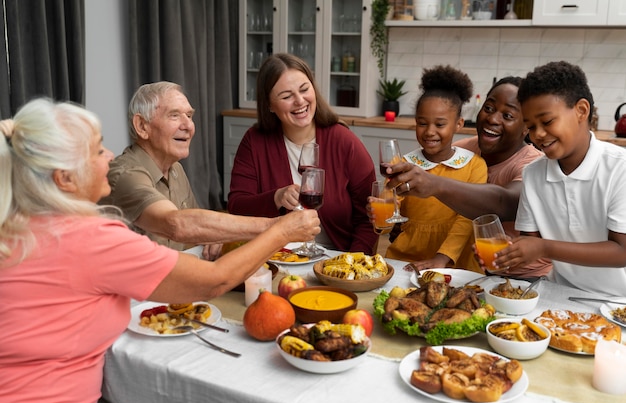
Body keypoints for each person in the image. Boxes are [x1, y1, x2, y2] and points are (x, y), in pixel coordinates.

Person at [0, 98, 320, 403]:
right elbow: (214, 280)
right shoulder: (89, 238)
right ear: (64, 178)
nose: (109, 156)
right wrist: (281, 232)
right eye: (98, 151)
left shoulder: (13, 225)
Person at [385, 76, 552, 279]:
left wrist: (433, 184)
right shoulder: (463, 149)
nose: (493, 119)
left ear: (526, 126)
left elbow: (505, 202)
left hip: (524, 276)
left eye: (507, 115)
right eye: (489, 108)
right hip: (474, 270)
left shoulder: (533, 165)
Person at [99, 81, 278, 259]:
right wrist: (274, 227)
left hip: (174, 276)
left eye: (190, 116)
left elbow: (196, 227)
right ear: (142, 126)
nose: (188, 126)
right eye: (174, 115)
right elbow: (176, 224)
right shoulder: (125, 175)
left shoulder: (175, 168)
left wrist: (212, 236)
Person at [494, 61, 626, 297]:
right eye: (531, 127)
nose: (538, 135)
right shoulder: (533, 174)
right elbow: (530, 245)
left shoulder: (619, 168)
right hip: (560, 292)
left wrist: (544, 247)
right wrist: (508, 253)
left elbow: (622, 252)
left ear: (581, 111)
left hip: (619, 301)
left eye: (547, 122)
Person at [227, 53, 378, 254]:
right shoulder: (254, 141)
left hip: (335, 258)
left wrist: (352, 265)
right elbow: (237, 206)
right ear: (269, 105)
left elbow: (369, 217)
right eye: (287, 96)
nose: (300, 101)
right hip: (277, 257)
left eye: (304, 89)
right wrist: (275, 197)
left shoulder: (344, 141)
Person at [383, 65, 488, 273]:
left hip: (456, 263)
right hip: (407, 260)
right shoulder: (404, 163)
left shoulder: (474, 165)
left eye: (440, 125)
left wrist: (443, 258)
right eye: (422, 123)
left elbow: (466, 220)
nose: (430, 132)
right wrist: (379, 212)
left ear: (458, 124)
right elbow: (388, 219)